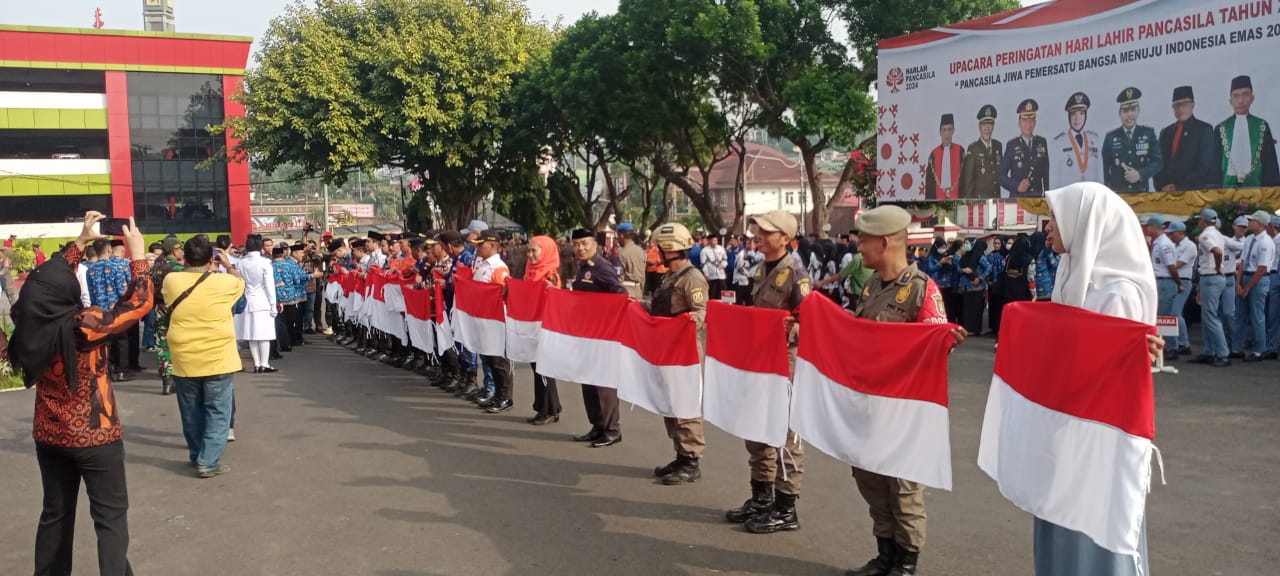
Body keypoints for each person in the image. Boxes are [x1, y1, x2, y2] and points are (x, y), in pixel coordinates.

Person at [7, 212, 152, 576]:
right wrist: (137, 255)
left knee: (55, 515)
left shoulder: (26, 325)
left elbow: (45, 281)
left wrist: (81, 241)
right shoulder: (83, 326)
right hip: (96, 435)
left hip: (50, 436)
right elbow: (138, 304)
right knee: (110, 520)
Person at [1035, 181, 1165, 576]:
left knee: (1094, 525)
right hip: (1066, 422)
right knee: (1062, 520)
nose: (1048, 227)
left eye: (1056, 218)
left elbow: (1112, 372)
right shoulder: (1071, 274)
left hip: (1098, 433)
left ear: (1084, 220)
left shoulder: (1117, 293)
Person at [846, 205, 965, 576]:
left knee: (903, 487)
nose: (859, 248)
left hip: (905, 411)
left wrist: (946, 341)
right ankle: (886, 554)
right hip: (870, 404)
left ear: (884, 242)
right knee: (869, 478)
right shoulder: (870, 285)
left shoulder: (921, 290)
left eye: (863, 240)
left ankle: (906, 563)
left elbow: (934, 346)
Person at [725, 210, 808, 535]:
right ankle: (762, 498)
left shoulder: (796, 273)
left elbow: (807, 323)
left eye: (767, 232)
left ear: (785, 239)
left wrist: (789, 328)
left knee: (784, 435)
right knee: (757, 429)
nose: (759, 236)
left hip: (784, 365)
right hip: (759, 361)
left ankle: (786, 507)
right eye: (758, 231)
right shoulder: (763, 268)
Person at [164, 235, 245, 478]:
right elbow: (240, 284)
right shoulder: (224, 283)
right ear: (211, 259)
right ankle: (208, 461)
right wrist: (227, 264)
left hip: (184, 356)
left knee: (191, 410)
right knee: (217, 410)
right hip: (218, 355)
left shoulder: (171, 280)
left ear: (184, 257)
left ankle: (197, 453)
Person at [644, 222, 710, 486]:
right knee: (670, 405)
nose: (655, 252)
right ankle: (681, 454)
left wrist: (696, 318)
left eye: (658, 248)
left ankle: (691, 460)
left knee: (685, 407)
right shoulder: (670, 276)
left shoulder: (691, 277)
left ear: (668, 249)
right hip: (666, 350)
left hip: (685, 354)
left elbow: (702, 310)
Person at [568, 228, 627, 447]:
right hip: (586, 334)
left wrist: (604, 318)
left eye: (584, 243)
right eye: (576, 244)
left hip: (602, 336)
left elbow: (620, 295)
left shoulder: (601, 267)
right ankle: (597, 425)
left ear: (595, 244)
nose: (580, 248)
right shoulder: (582, 268)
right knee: (589, 382)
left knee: (604, 384)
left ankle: (612, 429)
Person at [471, 232, 515, 413]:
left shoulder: (498, 267)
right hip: (484, 317)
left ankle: (505, 397)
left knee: (498, 361)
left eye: (482, 244)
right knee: (489, 358)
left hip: (496, 319)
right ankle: (497, 394)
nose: (479, 247)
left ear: (492, 245)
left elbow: (503, 293)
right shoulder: (483, 264)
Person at [523, 235, 563, 425]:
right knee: (537, 367)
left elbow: (558, 300)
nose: (530, 255)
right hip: (532, 326)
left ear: (545, 251)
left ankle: (549, 408)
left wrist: (552, 290)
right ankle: (545, 406)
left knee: (544, 368)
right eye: (528, 251)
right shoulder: (529, 272)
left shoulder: (550, 274)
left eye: (534, 251)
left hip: (545, 328)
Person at [87, 238, 139, 381]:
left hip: (99, 310)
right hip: (116, 309)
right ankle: (122, 371)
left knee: (105, 341)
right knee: (122, 339)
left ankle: (106, 369)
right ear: (109, 250)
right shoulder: (117, 267)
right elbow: (123, 290)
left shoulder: (89, 269)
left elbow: (91, 292)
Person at [1215, 75, 1280, 188]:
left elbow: (1270, 165)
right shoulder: (1220, 128)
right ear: (1231, 100)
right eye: (1236, 96)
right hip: (1226, 195)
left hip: (1258, 193)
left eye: (1245, 94)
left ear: (1252, 98)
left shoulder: (1262, 126)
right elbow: (1215, 167)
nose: (1241, 100)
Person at [1154, 86, 1219, 191]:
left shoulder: (1204, 129)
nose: (1180, 109)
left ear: (1192, 105)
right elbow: (1158, 165)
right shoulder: (1165, 133)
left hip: (1193, 193)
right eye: (1176, 105)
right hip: (1166, 195)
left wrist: (1179, 187)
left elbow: (1205, 167)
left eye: (1184, 104)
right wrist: (1161, 186)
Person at [1102, 87, 1162, 193]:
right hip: (1118, 196)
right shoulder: (1110, 137)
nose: (1129, 115)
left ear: (1138, 111)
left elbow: (1158, 162)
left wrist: (1140, 174)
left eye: (1133, 110)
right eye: (1125, 111)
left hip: (1141, 195)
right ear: (1120, 114)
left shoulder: (1148, 133)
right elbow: (1105, 170)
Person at [1193, 209, 1231, 366]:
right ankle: (1209, 351)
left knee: (1210, 316)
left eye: (1199, 219)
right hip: (1210, 277)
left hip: (1211, 276)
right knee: (1207, 316)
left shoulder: (1205, 235)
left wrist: (1217, 267)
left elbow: (1217, 251)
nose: (1198, 222)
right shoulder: (1218, 234)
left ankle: (1222, 353)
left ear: (1204, 221)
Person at [1237, 211, 1274, 361]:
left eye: (1251, 220)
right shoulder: (1249, 239)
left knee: (1257, 316)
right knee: (1239, 315)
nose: (1249, 222)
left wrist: (1247, 288)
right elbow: (1242, 262)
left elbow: (1262, 269)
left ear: (1259, 223)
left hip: (1258, 280)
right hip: (1246, 276)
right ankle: (1237, 347)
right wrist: (1238, 283)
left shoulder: (1266, 242)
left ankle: (1259, 349)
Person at [151, 237, 186, 395]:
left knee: (163, 344)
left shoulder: (157, 266)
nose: (182, 252)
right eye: (180, 249)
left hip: (160, 308)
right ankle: (180, 378)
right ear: (174, 250)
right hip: (176, 309)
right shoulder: (178, 268)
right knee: (180, 343)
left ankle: (166, 380)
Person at [239, 235, 278, 373]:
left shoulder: (241, 262)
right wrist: (273, 304)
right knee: (264, 335)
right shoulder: (265, 262)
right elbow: (269, 285)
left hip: (248, 300)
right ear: (260, 246)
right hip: (263, 300)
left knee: (251, 335)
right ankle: (264, 363)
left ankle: (256, 364)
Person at [1143, 216, 1180, 361]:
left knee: (1164, 317)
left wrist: (1178, 282)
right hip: (1160, 280)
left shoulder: (1164, 243)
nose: (1147, 229)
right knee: (1159, 315)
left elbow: (1171, 266)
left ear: (1155, 226)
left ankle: (1171, 347)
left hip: (1165, 281)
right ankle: (1164, 347)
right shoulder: (1158, 242)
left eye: (1149, 226)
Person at [1050, 92, 1104, 189]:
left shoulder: (1095, 139)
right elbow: (1055, 180)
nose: (1077, 118)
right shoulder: (1059, 142)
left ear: (1086, 115)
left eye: (1081, 113)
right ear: (1069, 116)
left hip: (1091, 197)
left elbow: (1100, 175)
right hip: (1068, 198)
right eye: (1073, 114)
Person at [998, 99, 1050, 198]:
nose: (1028, 125)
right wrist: (1016, 186)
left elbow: (1045, 174)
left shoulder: (1041, 143)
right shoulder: (1012, 145)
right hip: (1018, 200)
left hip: (1037, 199)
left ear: (1035, 122)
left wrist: (1047, 197)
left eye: (1031, 120)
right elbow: (1001, 176)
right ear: (1019, 123)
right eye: (1025, 120)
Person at [1166, 221, 1197, 355]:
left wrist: (1166, 268)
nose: (1171, 235)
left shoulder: (1189, 246)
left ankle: (1183, 343)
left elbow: (1178, 264)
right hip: (1173, 279)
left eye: (1173, 233)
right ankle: (1177, 343)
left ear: (1180, 232)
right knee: (1171, 313)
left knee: (1175, 313)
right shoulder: (1173, 245)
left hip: (1183, 281)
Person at [961, 104, 1003, 199]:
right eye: (984, 124)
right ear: (979, 126)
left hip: (996, 198)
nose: (987, 128)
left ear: (993, 126)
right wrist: (969, 202)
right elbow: (968, 181)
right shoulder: (973, 148)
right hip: (979, 200)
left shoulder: (998, 146)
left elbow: (1000, 173)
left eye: (990, 124)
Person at [925, 113, 963, 199]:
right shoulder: (933, 154)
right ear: (940, 132)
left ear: (953, 131)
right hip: (938, 202)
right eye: (944, 130)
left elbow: (965, 180)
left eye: (949, 130)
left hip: (957, 201)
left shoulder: (960, 151)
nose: (947, 134)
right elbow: (929, 185)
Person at [957, 238, 989, 336]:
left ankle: (976, 329)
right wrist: (963, 270)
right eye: (965, 243)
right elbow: (958, 269)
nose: (966, 245)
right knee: (967, 309)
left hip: (977, 287)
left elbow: (988, 269)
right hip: (966, 286)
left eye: (968, 243)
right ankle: (968, 329)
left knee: (976, 309)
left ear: (972, 244)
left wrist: (980, 278)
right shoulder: (964, 256)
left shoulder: (980, 257)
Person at [616, 223, 647, 300]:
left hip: (626, 292)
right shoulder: (641, 252)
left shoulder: (621, 253)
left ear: (621, 235)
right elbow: (643, 274)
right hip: (639, 291)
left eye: (618, 236)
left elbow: (618, 278)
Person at [701, 233, 729, 301]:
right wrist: (706, 274)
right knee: (712, 294)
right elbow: (703, 264)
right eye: (713, 240)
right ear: (709, 241)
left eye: (715, 240)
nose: (714, 242)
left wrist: (724, 264)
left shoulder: (721, 248)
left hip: (721, 275)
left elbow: (725, 259)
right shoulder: (704, 251)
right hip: (711, 276)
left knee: (723, 293)